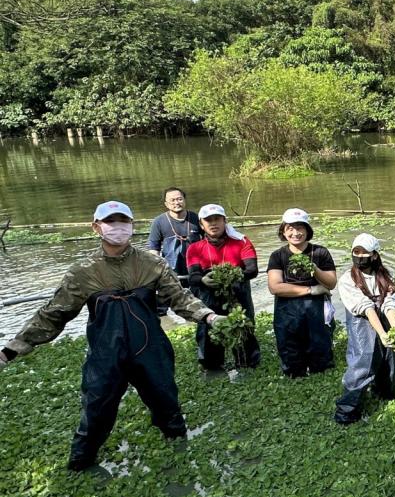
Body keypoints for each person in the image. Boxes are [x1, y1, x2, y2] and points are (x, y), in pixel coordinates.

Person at [0, 200, 223, 471]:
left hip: (150, 349)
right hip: (106, 354)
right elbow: (53, 315)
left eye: (123, 221)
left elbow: (180, 298)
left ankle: (179, 449)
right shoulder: (83, 272)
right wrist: (11, 349)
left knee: (166, 402)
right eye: (110, 222)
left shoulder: (152, 263)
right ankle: (80, 464)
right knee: (96, 409)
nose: (118, 227)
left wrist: (209, 317)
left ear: (131, 226)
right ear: (96, 227)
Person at [335, 234, 395, 425]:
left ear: (374, 254)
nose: (359, 255)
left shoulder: (386, 275)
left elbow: (389, 303)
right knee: (363, 361)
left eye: (364, 252)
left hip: (383, 317)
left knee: (389, 357)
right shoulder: (348, 279)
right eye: (356, 251)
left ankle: (383, 391)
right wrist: (381, 333)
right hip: (362, 321)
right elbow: (366, 308)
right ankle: (347, 411)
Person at [186, 204, 260, 370]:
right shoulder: (195, 248)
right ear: (201, 224)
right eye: (208, 220)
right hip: (209, 294)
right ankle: (212, 367)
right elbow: (193, 276)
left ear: (225, 221)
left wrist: (233, 276)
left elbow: (252, 270)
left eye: (217, 219)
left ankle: (247, 364)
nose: (213, 223)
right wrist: (204, 280)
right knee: (208, 330)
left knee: (242, 326)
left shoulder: (242, 242)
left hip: (238, 292)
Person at [266, 208, 338, 378]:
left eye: (300, 228)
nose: (295, 233)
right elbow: (275, 287)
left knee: (320, 347)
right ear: (283, 231)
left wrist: (315, 269)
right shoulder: (277, 256)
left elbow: (331, 283)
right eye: (290, 228)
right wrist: (311, 290)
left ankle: (320, 373)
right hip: (287, 307)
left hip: (316, 307)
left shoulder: (320, 252)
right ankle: (295, 374)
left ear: (307, 230)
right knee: (290, 347)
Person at [146, 187, 202, 315]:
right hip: (171, 268)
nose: (176, 203)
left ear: (184, 200)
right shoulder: (159, 222)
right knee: (161, 308)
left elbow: (208, 241)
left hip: (194, 267)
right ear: (166, 204)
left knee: (198, 303)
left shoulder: (196, 218)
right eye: (172, 200)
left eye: (179, 199)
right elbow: (153, 248)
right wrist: (156, 270)